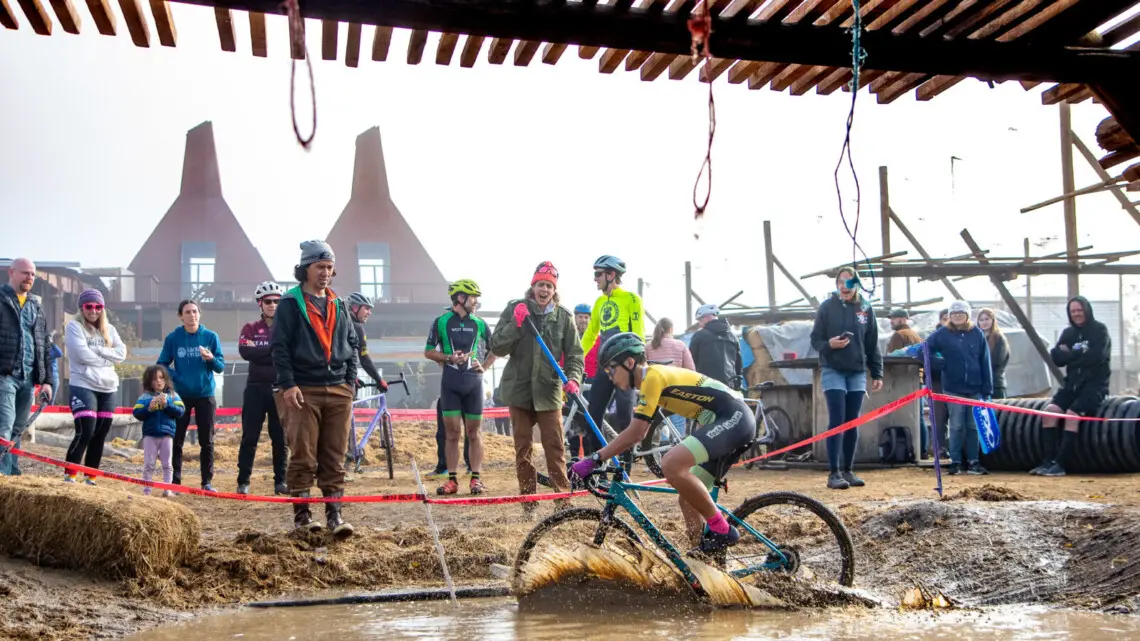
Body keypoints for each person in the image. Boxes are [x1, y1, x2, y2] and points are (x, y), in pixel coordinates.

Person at [571, 333, 754, 552]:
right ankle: (702, 560)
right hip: (725, 420)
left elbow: (636, 433)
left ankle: (722, 530)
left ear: (630, 363)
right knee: (688, 499)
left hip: (734, 417)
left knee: (671, 464)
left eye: (611, 369)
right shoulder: (652, 381)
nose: (610, 376)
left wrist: (595, 458)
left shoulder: (653, 378)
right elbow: (638, 430)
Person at [272, 240, 359, 536]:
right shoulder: (289, 303)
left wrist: (350, 380)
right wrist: (288, 384)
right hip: (303, 389)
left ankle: (335, 515)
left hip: (338, 389)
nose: (325, 273)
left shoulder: (339, 303)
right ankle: (303, 516)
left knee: (335, 455)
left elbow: (352, 343)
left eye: (330, 267)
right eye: (320, 267)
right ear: (306, 268)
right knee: (303, 454)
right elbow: (279, 348)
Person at [490, 261, 583, 517]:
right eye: (540, 284)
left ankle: (563, 500)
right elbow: (497, 347)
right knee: (523, 448)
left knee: (555, 446)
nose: (544, 290)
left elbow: (575, 354)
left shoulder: (563, 317)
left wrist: (573, 378)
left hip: (549, 391)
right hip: (519, 390)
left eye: (549, 286)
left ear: (554, 290)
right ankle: (528, 502)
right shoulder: (515, 310)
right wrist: (516, 324)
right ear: (532, 287)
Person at [809, 267, 883, 490]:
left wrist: (877, 371)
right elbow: (815, 339)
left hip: (857, 370)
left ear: (857, 284)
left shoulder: (866, 308)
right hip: (833, 368)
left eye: (849, 282)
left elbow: (872, 342)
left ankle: (849, 470)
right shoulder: (827, 307)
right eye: (841, 282)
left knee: (852, 422)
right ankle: (834, 473)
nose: (844, 286)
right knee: (837, 419)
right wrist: (828, 345)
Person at [425, 280, 496, 495]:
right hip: (451, 383)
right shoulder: (441, 321)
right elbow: (428, 351)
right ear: (460, 298)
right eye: (473, 297)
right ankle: (452, 480)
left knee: (474, 433)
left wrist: (483, 366)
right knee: (452, 433)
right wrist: (447, 357)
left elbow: (496, 348)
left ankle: (476, 478)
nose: (476, 301)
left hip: (473, 383)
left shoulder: (479, 323)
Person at [1033, 296, 1111, 478]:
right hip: (1071, 386)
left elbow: (1096, 357)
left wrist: (1071, 353)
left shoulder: (1100, 330)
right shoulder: (1069, 333)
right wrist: (1078, 353)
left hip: (1094, 387)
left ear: (1087, 310)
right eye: (1073, 311)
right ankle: (1048, 461)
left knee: (1072, 415)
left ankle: (1061, 464)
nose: (1076, 314)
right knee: (1049, 413)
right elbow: (1056, 357)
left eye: (1079, 310)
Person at [157, 299, 225, 491]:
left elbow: (220, 367)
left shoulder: (211, 337)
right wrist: (177, 377)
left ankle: (207, 482)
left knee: (207, 440)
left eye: (195, 311)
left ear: (199, 314)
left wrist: (211, 358)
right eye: (187, 312)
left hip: (206, 394)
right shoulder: (173, 338)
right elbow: (162, 363)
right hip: (181, 396)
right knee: (177, 439)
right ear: (181, 316)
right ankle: (175, 481)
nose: (192, 315)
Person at [63, 289, 128, 484]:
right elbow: (81, 355)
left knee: (101, 433)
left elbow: (122, 354)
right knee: (86, 430)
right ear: (82, 308)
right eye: (89, 306)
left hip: (108, 387)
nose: (93, 310)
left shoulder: (110, 329)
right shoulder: (74, 327)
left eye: (98, 306)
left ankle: (91, 477)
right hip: (83, 384)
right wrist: (108, 358)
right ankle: (70, 474)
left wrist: (98, 350)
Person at [581, 256, 644, 455]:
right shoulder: (599, 302)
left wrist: (639, 366)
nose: (595, 279)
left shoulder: (632, 299)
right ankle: (600, 461)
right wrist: (577, 357)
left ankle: (625, 465)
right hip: (605, 365)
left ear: (611, 274)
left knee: (624, 416)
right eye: (595, 274)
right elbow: (591, 335)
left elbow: (639, 334)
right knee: (593, 415)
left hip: (626, 365)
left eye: (598, 274)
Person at [923, 301, 992, 476]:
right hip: (953, 387)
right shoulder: (943, 334)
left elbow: (985, 360)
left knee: (973, 426)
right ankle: (955, 462)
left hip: (975, 388)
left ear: (967, 315)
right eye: (954, 314)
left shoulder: (977, 334)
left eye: (961, 313)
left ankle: (973, 461)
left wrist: (987, 387)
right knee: (956, 425)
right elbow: (925, 349)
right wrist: (939, 362)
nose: (957, 316)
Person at [236, 282, 290, 496]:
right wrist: (275, 351)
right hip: (255, 389)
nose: (273, 305)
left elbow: (289, 355)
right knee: (250, 437)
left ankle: (280, 482)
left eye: (277, 301)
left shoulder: (287, 327)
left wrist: (263, 352)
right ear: (260, 303)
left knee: (280, 438)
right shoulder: (249, 328)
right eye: (268, 301)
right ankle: (243, 482)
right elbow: (245, 352)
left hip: (280, 390)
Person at [0, 258, 52, 476]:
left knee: (18, 429)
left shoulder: (36, 306)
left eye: (33, 274)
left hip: (28, 378)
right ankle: (1, 475)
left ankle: (12, 473)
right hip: (5, 376)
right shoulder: (1, 300)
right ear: (12, 272)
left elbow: (44, 345)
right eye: (25, 273)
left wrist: (47, 381)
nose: (30, 277)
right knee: (4, 425)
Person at [133, 365, 184, 497]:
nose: (158, 381)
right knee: (149, 464)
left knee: (167, 464)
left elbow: (180, 411)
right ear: (149, 382)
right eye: (154, 379)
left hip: (167, 435)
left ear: (166, 379)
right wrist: (149, 408)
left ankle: (167, 490)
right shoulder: (145, 397)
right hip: (150, 435)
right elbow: (137, 413)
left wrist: (167, 405)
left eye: (161, 378)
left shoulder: (173, 395)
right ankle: (146, 491)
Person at [646, 318, 695, 436]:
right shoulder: (680, 345)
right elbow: (692, 370)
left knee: (657, 423)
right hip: (676, 390)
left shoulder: (648, 346)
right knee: (678, 425)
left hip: (655, 390)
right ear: (671, 329)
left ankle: (660, 450)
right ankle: (677, 451)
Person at [689, 304, 743, 389]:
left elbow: (690, 361)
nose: (699, 323)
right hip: (728, 385)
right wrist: (737, 383)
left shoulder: (699, 335)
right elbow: (738, 363)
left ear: (706, 317)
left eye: (699, 319)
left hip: (705, 384)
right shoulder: (733, 336)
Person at [344, 292, 388, 389]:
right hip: (344, 385)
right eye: (366, 308)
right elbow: (364, 359)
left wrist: (354, 376)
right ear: (355, 308)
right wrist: (379, 379)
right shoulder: (357, 328)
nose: (369, 312)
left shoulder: (341, 323)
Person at [976, 308, 1010, 399]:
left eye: (987, 319)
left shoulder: (999, 338)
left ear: (993, 320)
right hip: (980, 386)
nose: (984, 322)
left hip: (996, 385)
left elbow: (996, 361)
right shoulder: (977, 339)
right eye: (981, 320)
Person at [573, 303, 599, 383]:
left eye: (586, 317)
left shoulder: (598, 339)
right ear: (575, 318)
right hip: (571, 379)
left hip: (591, 380)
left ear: (590, 319)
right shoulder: (568, 336)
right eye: (580, 317)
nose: (583, 320)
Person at [47, 331, 62, 405]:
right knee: (45, 400)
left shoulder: (52, 350)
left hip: (53, 377)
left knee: (51, 401)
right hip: (44, 378)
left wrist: (52, 343)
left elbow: (59, 353)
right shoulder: (42, 350)